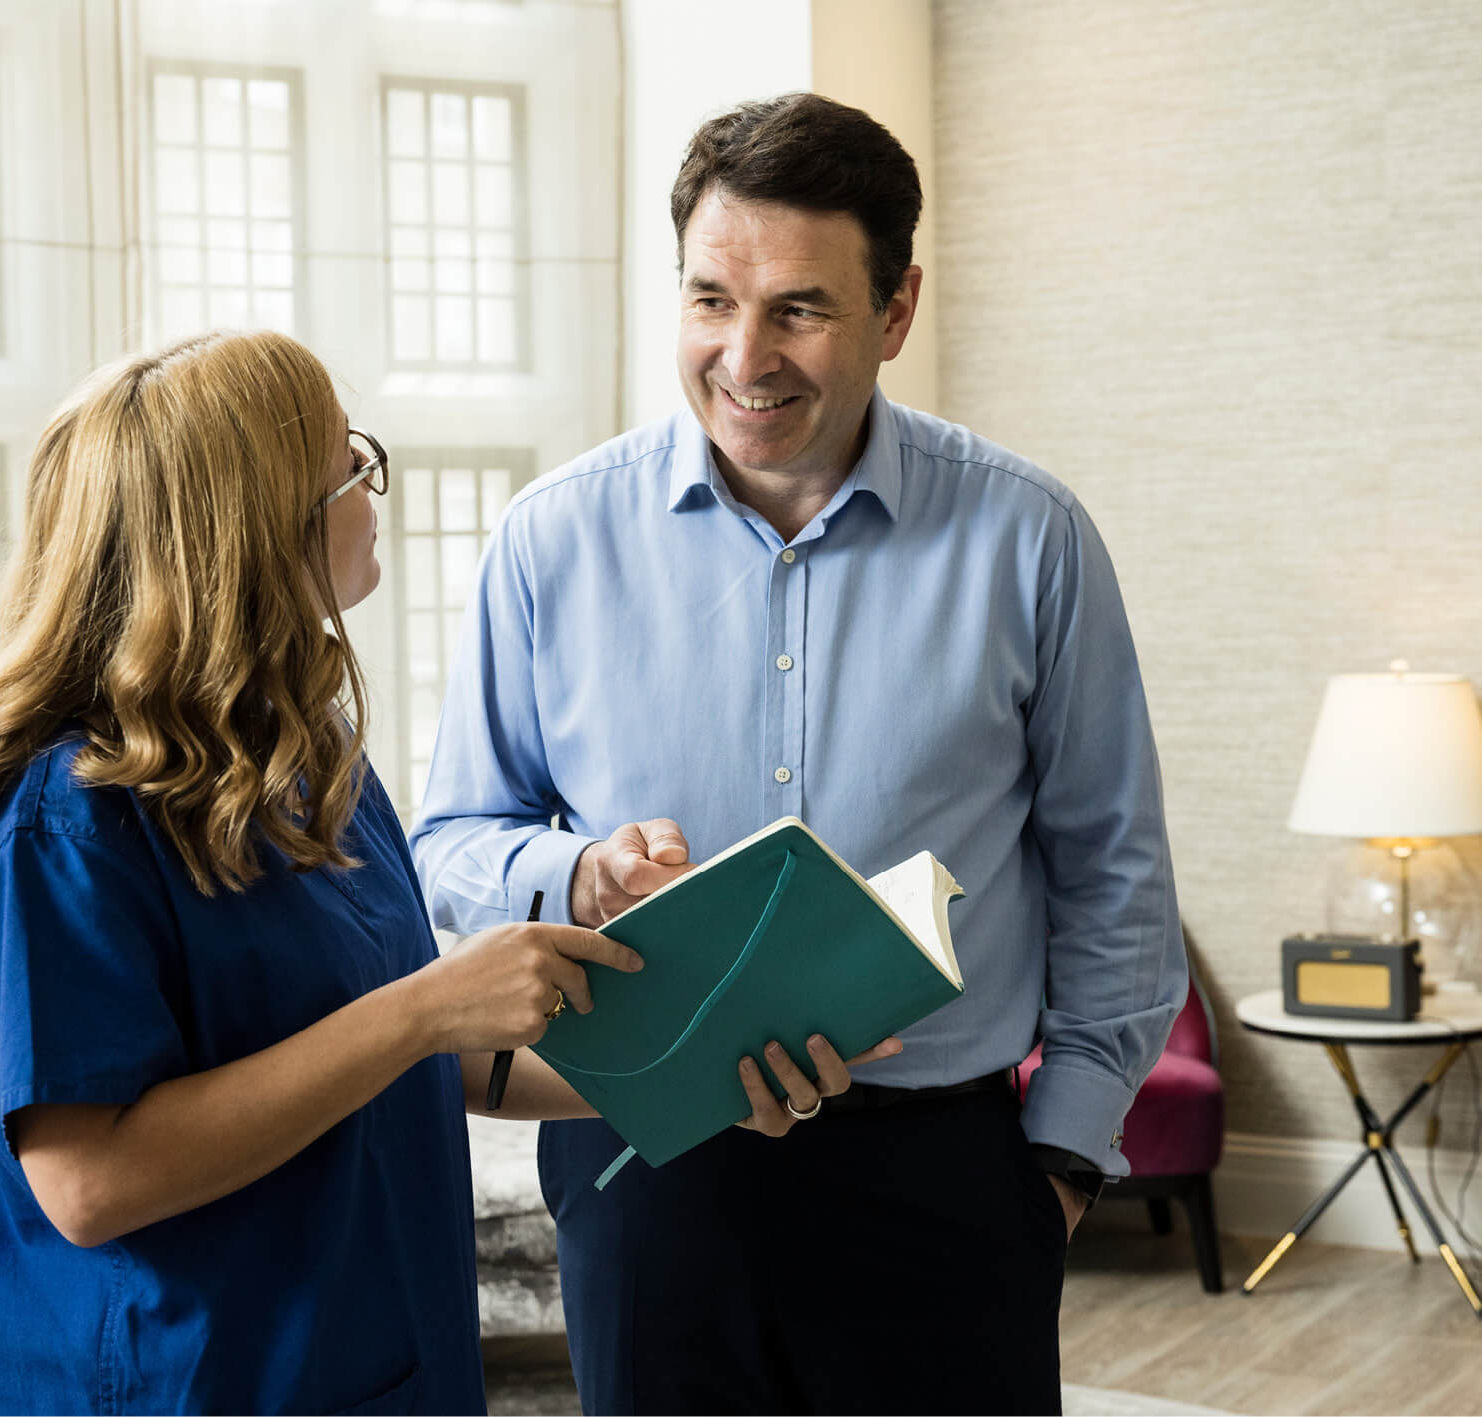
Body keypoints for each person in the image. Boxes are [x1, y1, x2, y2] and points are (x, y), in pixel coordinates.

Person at [0, 329, 877, 1415]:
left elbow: (421, 1053)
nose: (372, 492)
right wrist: (427, 1007)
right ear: (257, 526)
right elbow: (91, 1182)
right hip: (189, 1384)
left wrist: (699, 1071)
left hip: (375, 1365)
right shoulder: (59, 819)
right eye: (350, 463)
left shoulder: (299, 751)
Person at [410, 93, 1188, 1415]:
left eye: (799, 309)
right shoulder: (547, 542)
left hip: (941, 1181)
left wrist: (1057, 1162)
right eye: (710, 299)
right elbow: (450, 847)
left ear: (893, 311)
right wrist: (579, 869)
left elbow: (1111, 866)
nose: (743, 354)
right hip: (643, 1170)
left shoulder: (1030, 540)